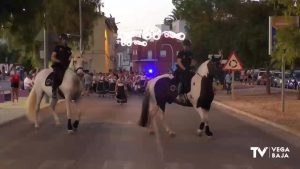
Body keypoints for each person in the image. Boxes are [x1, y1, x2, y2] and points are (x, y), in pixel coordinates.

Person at [50, 33, 72, 99]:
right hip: (58, 66)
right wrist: (59, 61)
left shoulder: (69, 49)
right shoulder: (57, 47)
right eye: (64, 39)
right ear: (61, 40)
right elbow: (52, 57)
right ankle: (54, 91)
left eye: (66, 39)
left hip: (66, 67)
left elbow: (70, 58)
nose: (65, 41)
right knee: (56, 74)